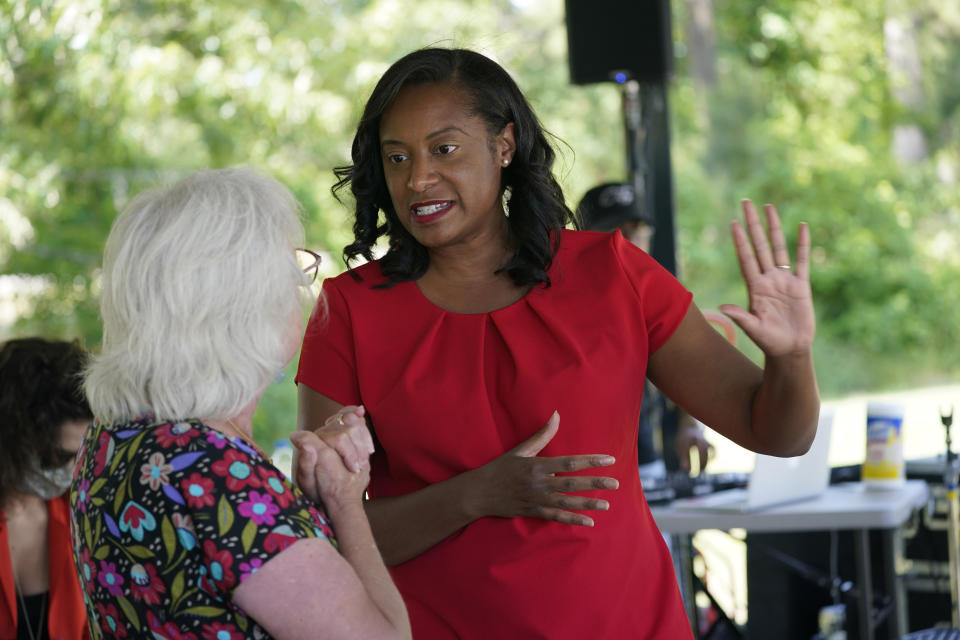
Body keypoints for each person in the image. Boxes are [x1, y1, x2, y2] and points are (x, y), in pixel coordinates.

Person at [296, 48, 819, 639]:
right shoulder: (349, 309)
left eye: (444, 149)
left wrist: (791, 357)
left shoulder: (613, 274)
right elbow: (324, 532)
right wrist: (476, 494)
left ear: (504, 144)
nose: (417, 179)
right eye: (397, 158)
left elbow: (778, 433)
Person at [72, 168, 410, 639]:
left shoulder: (112, 438)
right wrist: (344, 498)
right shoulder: (217, 472)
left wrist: (302, 500)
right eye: (291, 272)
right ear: (246, 305)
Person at [577, 182, 712, 478]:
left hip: (647, 465)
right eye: (615, 231)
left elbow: (682, 369)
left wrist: (690, 424)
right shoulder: (562, 301)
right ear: (581, 238)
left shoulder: (653, 298)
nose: (629, 241)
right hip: (578, 476)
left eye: (637, 230)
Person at [0, 337, 91, 640]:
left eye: (81, 454)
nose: (71, 470)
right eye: (57, 457)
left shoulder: (81, 514)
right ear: (13, 439)